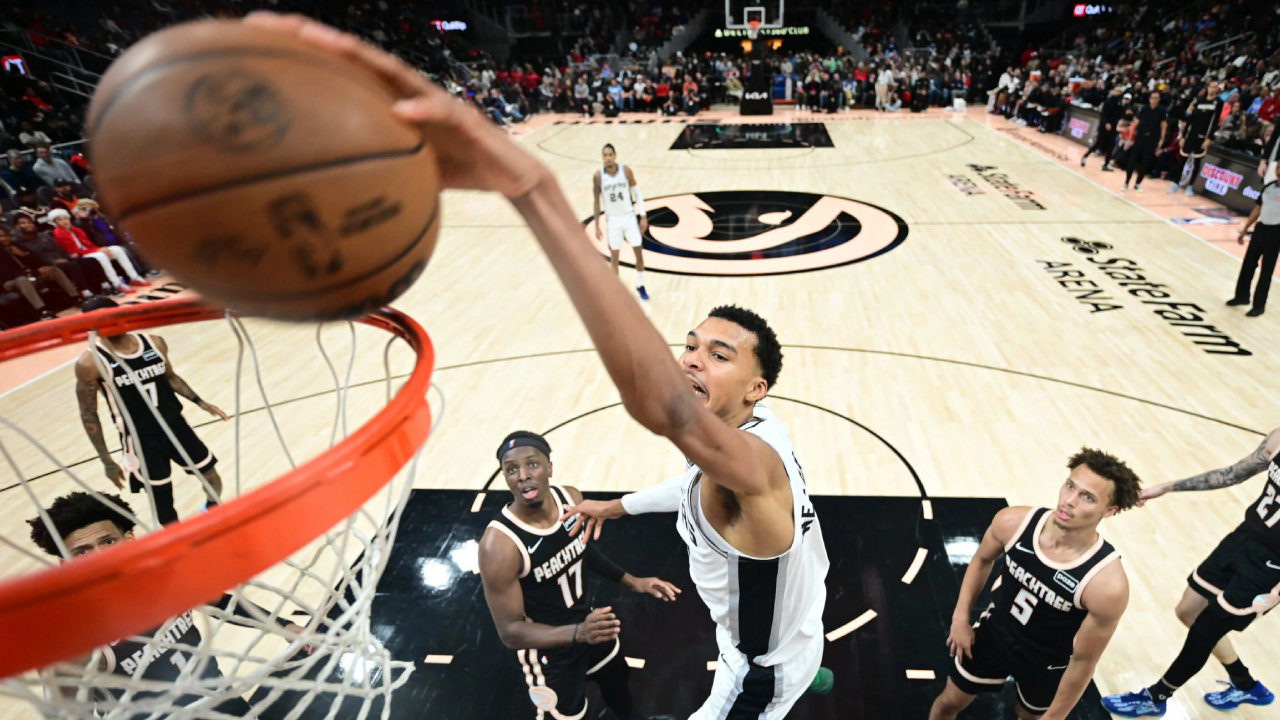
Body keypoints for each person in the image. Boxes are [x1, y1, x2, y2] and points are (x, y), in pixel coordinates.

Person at [240, 14, 834, 718]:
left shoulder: (748, 467)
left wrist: (530, 189)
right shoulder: (768, 432)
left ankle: (794, 675)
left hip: (755, 673)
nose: (689, 359)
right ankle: (808, 658)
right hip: (798, 624)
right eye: (691, 343)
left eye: (718, 354)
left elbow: (666, 413)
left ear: (756, 387)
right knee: (789, 615)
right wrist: (616, 505)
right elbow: (690, 479)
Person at [27, 491, 309, 712]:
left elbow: (219, 601)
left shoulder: (165, 577)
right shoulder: (71, 639)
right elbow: (67, 713)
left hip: (223, 705)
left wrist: (284, 626)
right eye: (83, 552)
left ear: (131, 540)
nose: (100, 557)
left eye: (108, 542)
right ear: (66, 566)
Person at [479, 431, 678, 720]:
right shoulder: (499, 546)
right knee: (568, 715)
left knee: (617, 679)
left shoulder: (569, 498)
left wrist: (631, 580)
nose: (523, 475)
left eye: (532, 464)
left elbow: (579, 547)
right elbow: (510, 633)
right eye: (512, 469)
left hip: (587, 623)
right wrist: (577, 633)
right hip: (546, 651)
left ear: (549, 467)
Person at [929, 449, 1138, 720]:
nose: (1069, 501)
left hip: (1047, 664)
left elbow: (1084, 661)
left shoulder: (1106, 584)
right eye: (1070, 486)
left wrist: (1056, 716)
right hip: (994, 636)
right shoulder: (1013, 522)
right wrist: (960, 619)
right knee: (947, 702)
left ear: (1109, 511)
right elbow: (981, 560)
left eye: (1087, 497)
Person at [1101, 427, 1280, 716]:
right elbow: (1232, 473)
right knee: (1189, 610)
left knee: (1206, 630)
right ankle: (1245, 684)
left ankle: (1156, 697)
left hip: (1272, 568)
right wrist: (1167, 487)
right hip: (1245, 538)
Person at [75, 297, 230, 525]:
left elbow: (171, 377)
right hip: (140, 439)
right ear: (91, 326)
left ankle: (211, 511)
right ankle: (177, 543)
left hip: (176, 426)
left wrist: (200, 402)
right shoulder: (90, 363)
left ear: (122, 315)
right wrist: (106, 460)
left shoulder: (154, 342)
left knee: (212, 477)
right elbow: (89, 413)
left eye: (111, 316)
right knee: (161, 499)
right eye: (100, 321)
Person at [592, 143, 649, 300]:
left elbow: (637, 194)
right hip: (613, 221)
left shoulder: (626, 171)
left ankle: (640, 285)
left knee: (638, 254)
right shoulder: (598, 176)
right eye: (605, 155)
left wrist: (643, 216)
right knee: (614, 258)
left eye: (611, 154)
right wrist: (597, 225)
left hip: (629, 217)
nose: (608, 157)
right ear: (602, 157)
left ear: (615, 156)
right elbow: (596, 202)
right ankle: (616, 290)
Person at [48, 208, 148, 294]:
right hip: (79, 256)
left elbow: (89, 244)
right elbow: (73, 250)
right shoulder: (58, 234)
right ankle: (117, 284)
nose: (64, 221)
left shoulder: (76, 230)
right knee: (101, 256)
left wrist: (100, 249)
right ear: (55, 222)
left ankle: (134, 277)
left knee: (117, 249)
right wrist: (98, 250)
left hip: (90, 251)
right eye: (60, 220)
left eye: (65, 218)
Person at [11, 214, 99, 297]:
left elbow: (58, 249)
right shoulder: (18, 242)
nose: (28, 225)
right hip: (47, 265)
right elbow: (35, 258)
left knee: (89, 260)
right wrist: (53, 262)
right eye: (23, 223)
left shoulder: (43, 236)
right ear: (17, 226)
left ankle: (102, 286)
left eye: (29, 222)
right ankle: (85, 292)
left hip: (61, 258)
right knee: (72, 266)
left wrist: (68, 256)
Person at [1168, 79, 1223, 196]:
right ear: (1207, 88)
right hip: (1191, 134)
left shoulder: (1218, 103)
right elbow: (1189, 121)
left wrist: (1209, 138)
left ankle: (1189, 186)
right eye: (1211, 86)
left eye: (1215, 87)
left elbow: (1215, 122)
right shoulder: (1198, 101)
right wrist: (1182, 136)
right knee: (1182, 160)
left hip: (1203, 137)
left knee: (1196, 162)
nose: (1213, 89)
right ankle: (1177, 183)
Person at [0, 225, 56, 319]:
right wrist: (33, 273)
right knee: (22, 280)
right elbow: (7, 274)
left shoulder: (16, 246)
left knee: (53, 270)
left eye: (6, 235)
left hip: (28, 275)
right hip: (9, 282)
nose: (4, 238)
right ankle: (42, 311)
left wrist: (24, 255)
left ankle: (76, 297)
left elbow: (38, 261)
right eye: (1, 236)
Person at [1124, 92, 1168, 192]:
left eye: (1156, 98)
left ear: (1159, 99)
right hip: (1140, 137)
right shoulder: (1144, 109)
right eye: (1153, 98)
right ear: (1149, 99)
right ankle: (1126, 182)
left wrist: (1162, 139)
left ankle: (1137, 183)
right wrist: (1130, 138)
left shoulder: (1162, 111)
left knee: (1145, 162)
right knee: (1132, 160)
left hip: (1152, 139)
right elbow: (1135, 124)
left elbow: (1163, 125)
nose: (1154, 100)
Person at [1082, 87, 1124, 170]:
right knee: (1099, 143)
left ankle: (1106, 164)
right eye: (1116, 91)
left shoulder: (1120, 102)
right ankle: (1085, 156)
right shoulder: (1108, 101)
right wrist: (1106, 123)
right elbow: (1103, 114)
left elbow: (1120, 115)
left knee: (1110, 146)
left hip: (1113, 127)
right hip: (1104, 126)